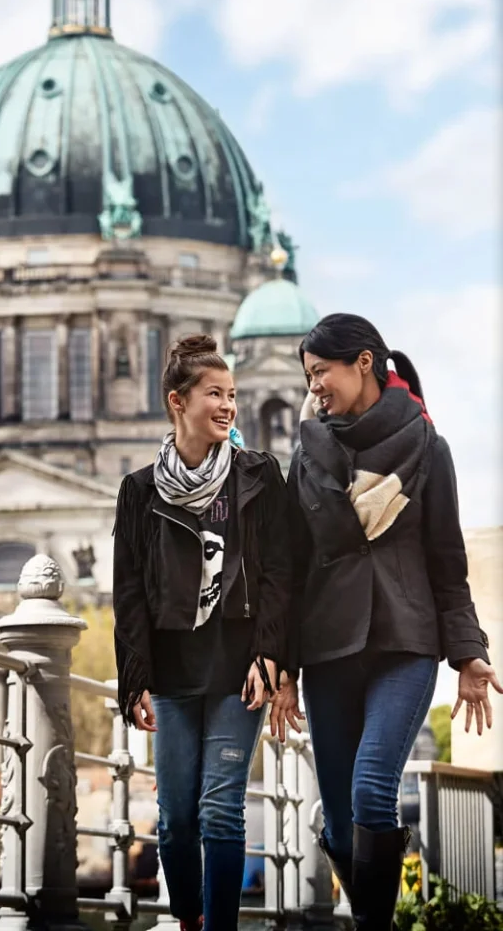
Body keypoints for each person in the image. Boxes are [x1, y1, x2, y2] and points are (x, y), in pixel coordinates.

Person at [270, 313, 501, 931]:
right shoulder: (306, 455)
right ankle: (375, 916)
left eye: (321, 371)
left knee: (372, 788)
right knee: (340, 820)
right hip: (327, 651)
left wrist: (468, 655)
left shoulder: (428, 446)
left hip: (406, 643)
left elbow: (448, 563)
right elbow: (289, 571)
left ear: (364, 363)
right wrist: (282, 667)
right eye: (308, 376)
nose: (314, 386)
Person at [112, 334, 292, 931]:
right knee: (175, 820)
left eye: (232, 394)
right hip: (171, 672)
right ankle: (187, 919)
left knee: (220, 810)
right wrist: (134, 678)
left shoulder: (259, 475)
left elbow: (279, 575)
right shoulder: (139, 491)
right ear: (177, 401)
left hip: (240, 669)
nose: (228, 406)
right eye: (214, 393)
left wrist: (271, 656)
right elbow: (129, 593)